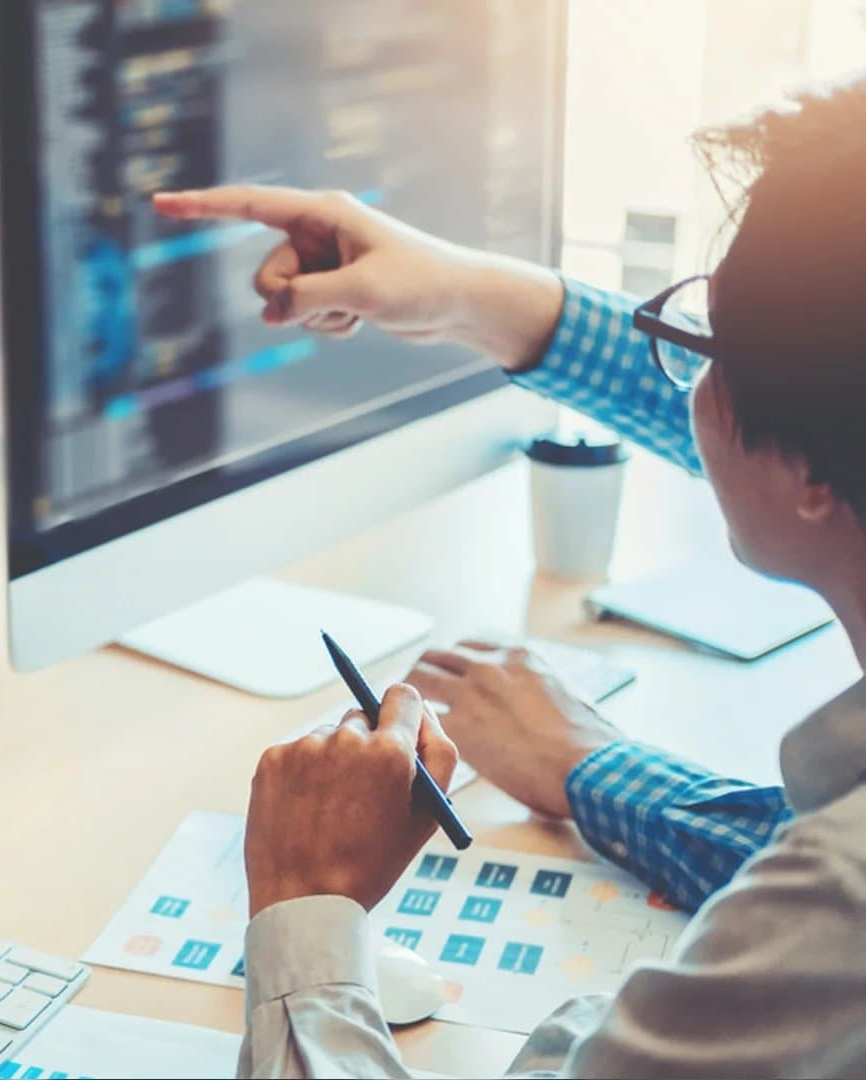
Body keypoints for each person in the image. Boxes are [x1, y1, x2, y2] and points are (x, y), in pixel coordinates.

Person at [156, 74, 866, 1077]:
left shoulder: (833, 912)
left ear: (816, 471)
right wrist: (460, 291)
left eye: (708, 342)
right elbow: (787, 417)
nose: (692, 386)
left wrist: (305, 908)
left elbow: (820, 910)